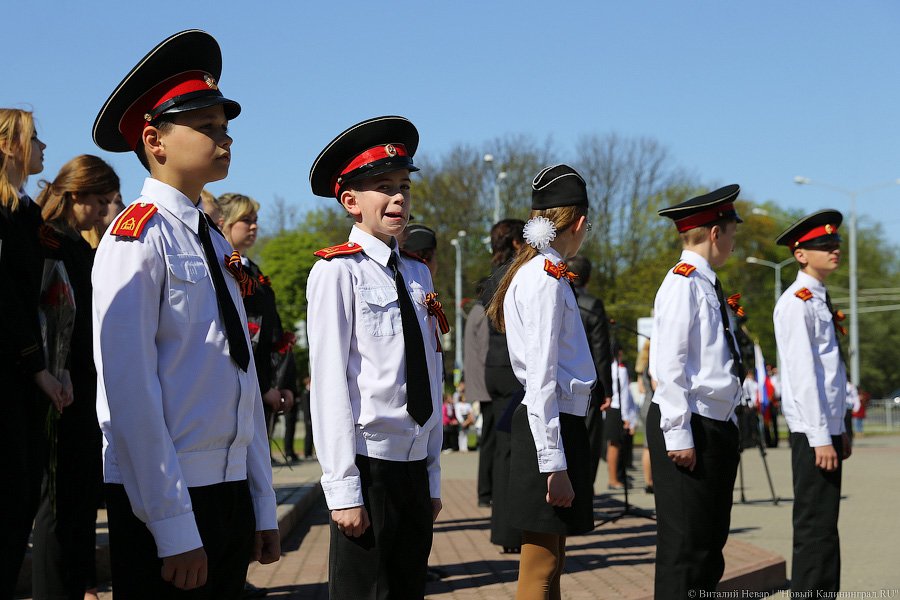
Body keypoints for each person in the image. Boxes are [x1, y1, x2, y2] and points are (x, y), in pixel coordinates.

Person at [90, 30, 279, 598]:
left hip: (224, 487)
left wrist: (262, 501)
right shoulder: (136, 239)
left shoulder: (214, 242)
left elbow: (241, 378)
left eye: (225, 128)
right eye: (207, 127)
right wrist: (172, 527)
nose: (224, 140)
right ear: (155, 139)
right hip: (164, 495)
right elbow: (129, 393)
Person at [306, 115, 443, 599]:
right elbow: (328, 384)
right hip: (369, 463)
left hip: (412, 461)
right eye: (383, 187)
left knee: (407, 590)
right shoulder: (337, 272)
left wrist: (432, 473)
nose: (399, 197)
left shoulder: (415, 274)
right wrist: (343, 488)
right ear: (350, 201)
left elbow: (430, 372)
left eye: (404, 185)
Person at [485, 164, 596, 600]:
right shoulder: (545, 278)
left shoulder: (539, 271)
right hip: (547, 427)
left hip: (548, 422)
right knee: (540, 569)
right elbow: (543, 377)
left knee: (552, 563)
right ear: (580, 223)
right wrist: (554, 462)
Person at [648, 184, 744, 598]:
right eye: (732, 232)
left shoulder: (706, 282)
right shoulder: (682, 282)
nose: (733, 242)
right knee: (685, 550)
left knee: (708, 549)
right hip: (691, 424)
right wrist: (679, 433)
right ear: (715, 233)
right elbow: (667, 365)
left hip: (714, 422)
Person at [32, 154, 119, 600]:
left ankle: (77, 585)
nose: (105, 212)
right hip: (60, 382)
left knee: (80, 499)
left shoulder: (78, 244)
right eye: (100, 202)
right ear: (75, 194)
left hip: (84, 382)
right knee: (59, 504)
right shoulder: (50, 241)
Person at [0, 107, 69, 599]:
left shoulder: (24, 212)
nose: (43, 147)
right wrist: (37, 365)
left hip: (26, 372)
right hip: (11, 371)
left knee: (21, 498)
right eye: (35, 138)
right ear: (9, 146)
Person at [773, 209, 851, 596]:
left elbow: (834, 371)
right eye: (824, 245)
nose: (834, 250)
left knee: (827, 526)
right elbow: (802, 376)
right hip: (811, 431)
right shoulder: (797, 302)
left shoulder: (818, 298)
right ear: (800, 254)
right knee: (814, 527)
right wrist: (822, 436)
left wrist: (842, 427)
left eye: (835, 243)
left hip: (828, 428)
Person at [215, 192, 297, 464]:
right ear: (223, 222)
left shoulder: (253, 271)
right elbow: (237, 338)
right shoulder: (223, 269)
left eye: (256, 220)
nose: (254, 226)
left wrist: (285, 385)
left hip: (264, 390)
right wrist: (261, 387)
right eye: (245, 220)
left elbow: (273, 335)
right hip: (238, 393)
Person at [482, 218, 526, 552]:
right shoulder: (518, 272)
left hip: (494, 368)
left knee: (502, 449)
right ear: (515, 242)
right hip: (513, 370)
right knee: (513, 451)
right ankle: (511, 532)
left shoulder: (492, 276)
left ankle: (504, 530)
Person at [566, 255, 613, 490]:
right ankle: (585, 490)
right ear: (589, 277)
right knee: (589, 440)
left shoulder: (561, 297)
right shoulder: (592, 304)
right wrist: (607, 389)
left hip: (563, 381)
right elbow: (601, 351)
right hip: (589, 384)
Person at [465, 278, 493, 504]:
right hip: (487, 384)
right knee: (491, 440)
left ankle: (485, 491)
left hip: (479, 384)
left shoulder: (474, 312)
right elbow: (486, 350)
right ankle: (486, 491)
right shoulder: (482, 313)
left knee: (489, 439)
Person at [606, 344, 637, 490]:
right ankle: (613, 479)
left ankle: (614, 477)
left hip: (610, 408)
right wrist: (626, 417)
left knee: (613, 445)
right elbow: (623, 394)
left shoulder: (607, 367)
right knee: (615, 445)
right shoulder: (621, 370)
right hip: (617, 408)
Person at [635, 339, 655, 493]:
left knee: (646, 446)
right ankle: (650, 481)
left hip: (645, 404)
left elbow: (641, 389)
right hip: (652, 405)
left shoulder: (642, 367)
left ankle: (649, 480)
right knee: (650, 446)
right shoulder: (652, 364)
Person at [454, 384, 474, 452]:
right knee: (461, 434)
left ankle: (465, 447)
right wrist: (462, 421)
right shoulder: (458, 405)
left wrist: (467, 421)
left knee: (466, 433)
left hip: (467, 419)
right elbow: (458, 414)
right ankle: (461, 447)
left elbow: (470, 412)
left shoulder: (468, 405)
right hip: (461, 419)